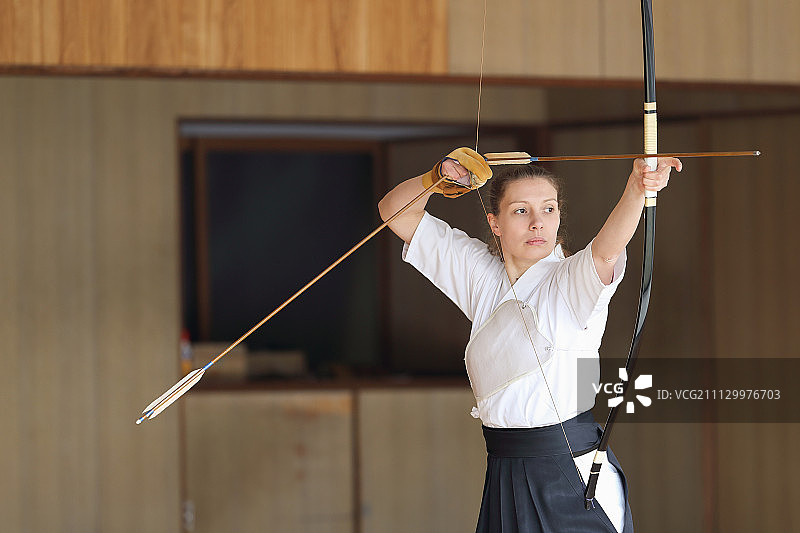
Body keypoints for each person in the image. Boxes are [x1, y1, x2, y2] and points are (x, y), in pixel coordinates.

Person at [377, 147, 680, 533]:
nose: (538, 223)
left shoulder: (571, 281)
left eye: (549, 209)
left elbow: (606, 251)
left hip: (569, 469)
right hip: (504, 466)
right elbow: (394, 211)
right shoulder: (480, 275)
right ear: (496, 222)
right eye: (521, 210)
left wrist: (637, 189)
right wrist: (436, 178)